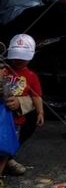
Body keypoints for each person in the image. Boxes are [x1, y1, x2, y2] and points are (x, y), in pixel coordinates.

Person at [0, 34, 44, 178]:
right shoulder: (4, 69)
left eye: (22, 57)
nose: (18, 60)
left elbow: (36, 96)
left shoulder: (31, 76)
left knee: (7, 146)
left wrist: (40, 112)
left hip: (17, 120)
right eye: (16, 56)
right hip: (2, 114)